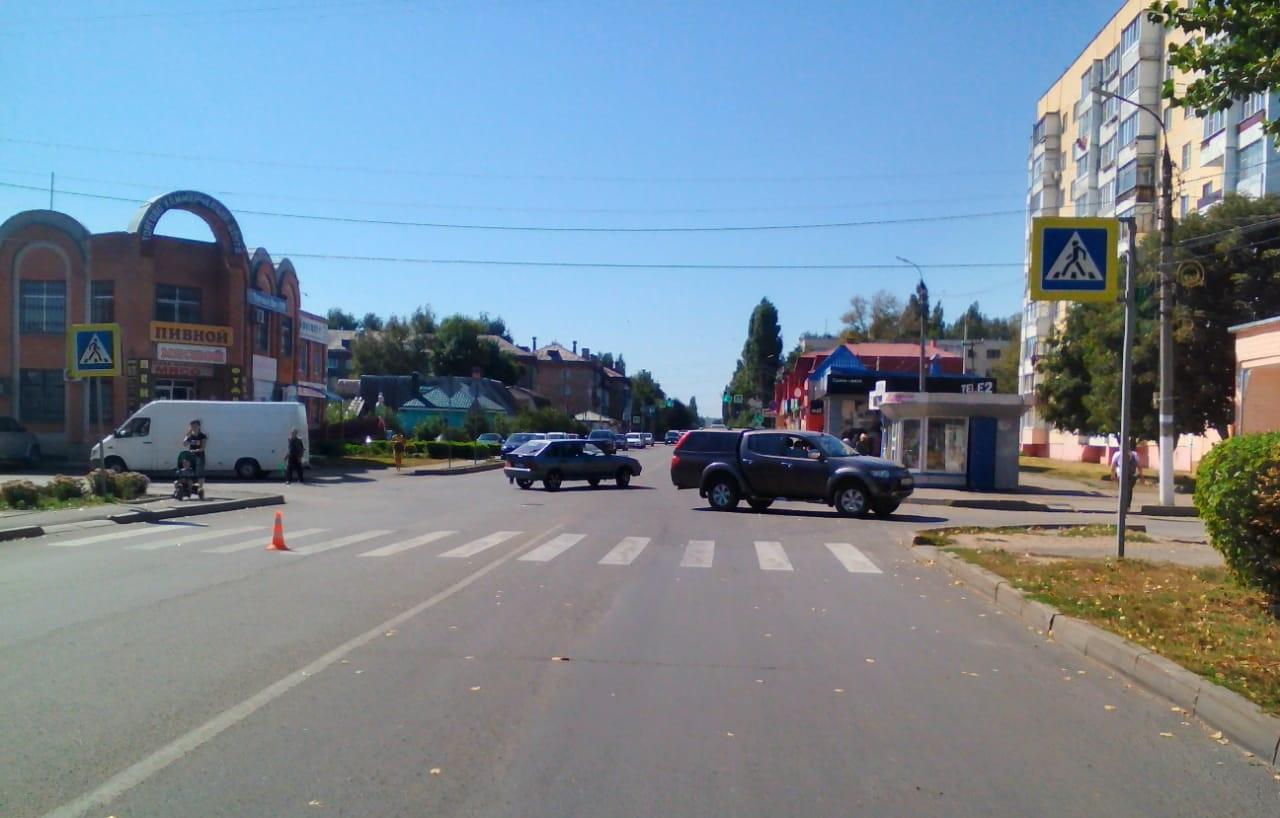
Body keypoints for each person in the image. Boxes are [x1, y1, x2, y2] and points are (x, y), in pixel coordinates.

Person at [1110, 445, 1142, 512]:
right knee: (1128, 491)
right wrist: (1141, 476)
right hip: (1131, 475)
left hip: (1122, 475)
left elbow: (1113, 465)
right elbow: (1139, 466)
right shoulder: (1134, 454)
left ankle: (1123, 506)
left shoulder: (1118, 454)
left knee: (1123, 491)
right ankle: (1126, 507)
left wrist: (1112, 475)